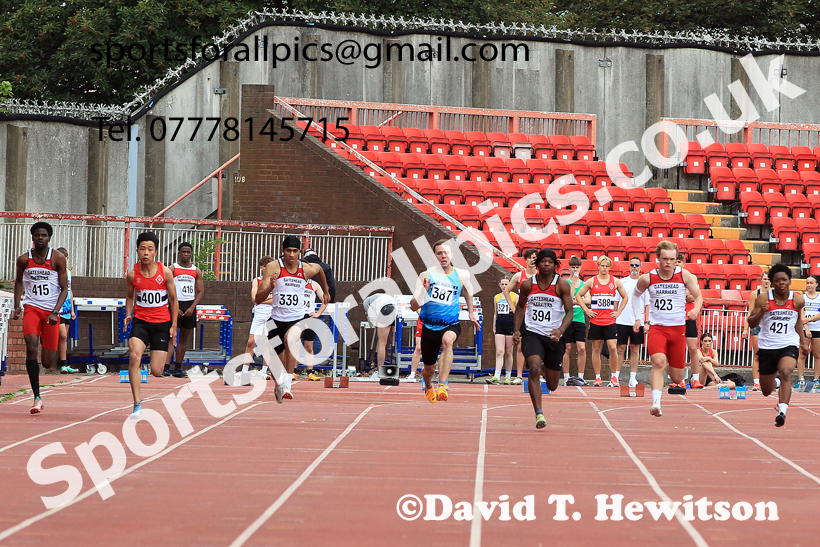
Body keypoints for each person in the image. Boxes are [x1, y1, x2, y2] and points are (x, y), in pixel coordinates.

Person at [630, 240, 703, 417]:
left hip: (678, 330)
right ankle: (656, 403)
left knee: (677, 378)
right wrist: (639, 318)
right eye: (665, 259)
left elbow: (698, 295)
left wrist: (695, 309)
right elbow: (635, 296)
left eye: (672, 259)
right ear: (658, 258)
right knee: (658, 363)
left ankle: (672, 363)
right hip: (657, 328)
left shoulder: (684, 275)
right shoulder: (648, 278)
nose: (668, 262)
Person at [256, 235, 330, 402]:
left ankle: (288, 384)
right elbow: (258, 299)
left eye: (295, 251)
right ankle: (280, 382)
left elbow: (319, 269)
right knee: (277, 359)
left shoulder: (305, 269)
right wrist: (270, 287)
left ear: (299, 252)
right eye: (288, 251)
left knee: (292, 340)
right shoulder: (273, 267)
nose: (291, 254)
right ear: (283, 251)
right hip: (276, 320)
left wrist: (325, 292)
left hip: (297, 318)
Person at [410, 239, 481, 403]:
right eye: (439, 253)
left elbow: (468, 291)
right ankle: (428, 385)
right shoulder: (425, 275)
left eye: (446, 252)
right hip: (428, 326)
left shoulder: (462, 274)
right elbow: (414, 306)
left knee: (448, 341)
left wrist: (471, 313)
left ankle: (442, 385)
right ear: (435, 256)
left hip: (450, 324)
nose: (443, 256)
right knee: (429, 368)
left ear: (452, 255)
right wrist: (423, 292)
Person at [12, 222, 70, 414]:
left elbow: (64, 289)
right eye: (37, 235)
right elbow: (18, 282)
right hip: (32, 308)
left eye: (44, 235)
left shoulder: (57, 258)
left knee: (47, 362)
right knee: (31, 345)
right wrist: (17, 307)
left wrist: (55, 312)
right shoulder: (23, 260)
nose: (40, 238)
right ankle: (37, 397)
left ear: (49, 238)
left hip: (51, 313)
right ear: (32, 237)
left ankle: (46, 342)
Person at [513, 248, 574, 429]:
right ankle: (539, 413)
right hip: (533, 334)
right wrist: (517, 330)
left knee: (553, 384)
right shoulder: (526, 285)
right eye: (543, 261)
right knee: (532, 367)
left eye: (550, 261)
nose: (546, 264)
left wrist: (561, 330)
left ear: (555, 265)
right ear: (537, 263)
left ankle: (544, 367)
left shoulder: (561, 284)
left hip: (554, 336)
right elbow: (520, 307)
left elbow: (570, 311)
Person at [747, 263, 810, 427]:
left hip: (788, 344)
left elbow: (797, 322)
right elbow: (751, 323)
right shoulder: (763, 298)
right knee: (766, 391)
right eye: (778, 280)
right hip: (767, 347)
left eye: (784, 280)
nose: (781, 283)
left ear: (790, 281)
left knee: (786, 371)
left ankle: (782, 411)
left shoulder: (797, 300)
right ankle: (775, 383)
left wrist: (803, 342)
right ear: (772, 283)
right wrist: (761, 311)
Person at [124, 232, 178, 419]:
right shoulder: (133, 274)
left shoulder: (165, 272)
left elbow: (173, 299)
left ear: (155, 252)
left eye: (150, 249)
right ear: (137, 251)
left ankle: (151, 359)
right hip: (141, 322)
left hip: (162, 322)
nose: (146, 253)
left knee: (157, 371)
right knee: (134, 356)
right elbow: (130, 296)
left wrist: (173, 326)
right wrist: (129, 314)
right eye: (142, 249)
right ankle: (137, 404)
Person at [575, 256, 628, 387]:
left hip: (609, 320)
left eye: (607, 266)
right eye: (602, 265)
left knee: (612, 348)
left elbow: (625, 297)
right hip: (595, 320)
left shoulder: (615, 281)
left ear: (610, 267)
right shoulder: (591, 281)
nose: (604, 268)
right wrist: (586, 310)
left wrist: (618, 312)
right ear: (598, 266)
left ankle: (614, 376)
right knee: (596, 349)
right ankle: (597, 377)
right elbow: (578, 296)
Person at [164, 242, 204, 378]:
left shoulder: (196, 270)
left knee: (184, 338)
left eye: (188, 252)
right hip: (176, 304)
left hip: (189, 306)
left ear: (191, 253)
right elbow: (167, 289)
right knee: (171, 336)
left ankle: (178, 368)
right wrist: (174, 306)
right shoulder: (172, 269)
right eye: (183, 252)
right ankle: (166, 367)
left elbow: (200, 291)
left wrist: (192, 307)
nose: (186, 254)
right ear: (179, 253)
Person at [503, 247, 538, 385]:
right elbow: (506, 291)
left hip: (536, 315)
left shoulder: (542, 275)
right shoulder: (519, 275)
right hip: (523, 315)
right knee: (520, 345)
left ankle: (537, 374)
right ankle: (518, 376)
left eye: (534, 258)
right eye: (530, 257)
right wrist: (512, 305)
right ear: (526, 259)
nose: (532, 260)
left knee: (538, 344)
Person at [617, 257, 648, 388]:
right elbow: (616, 301)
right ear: (629, 267)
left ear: (640, 267)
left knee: (635, 349)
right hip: (622, 320)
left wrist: (646, 322)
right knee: (620, 349)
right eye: (632, 265)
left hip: (638, 320)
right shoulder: (622, 282)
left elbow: (647, 304)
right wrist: (615, 316)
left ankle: (632, 378)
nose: (634, 267)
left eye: (637, 265)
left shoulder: (644, 283)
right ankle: (615, 376)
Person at [245, 256, 275, 380]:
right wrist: (262, 299)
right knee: (251, 342)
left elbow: (276, 300)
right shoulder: (256, 280)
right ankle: (244, 370)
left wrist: (261, 299)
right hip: (259, 315)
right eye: (266, 266)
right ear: (262, 267)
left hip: (272, 315)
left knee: (268, 344)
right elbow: (254, 298)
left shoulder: (275, 282)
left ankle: (264, 371)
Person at [676, 253, 702, 388]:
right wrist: (686, 295)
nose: (677, 264)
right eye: (675, 262)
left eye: (679, 262)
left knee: (692, 348)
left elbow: (694, 296)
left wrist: (685, 295)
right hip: (676, 316)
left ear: (683, 263)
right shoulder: (670, 279)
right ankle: (679, 379)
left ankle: (696, 379)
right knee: (678, 349)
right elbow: (685, 295)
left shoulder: (691, 277)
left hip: (689, 316)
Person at [743, 271, 771, 391]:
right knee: (757, 355)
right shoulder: (755, 293)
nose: (766, 281)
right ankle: (756, 382)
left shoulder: (774, 294)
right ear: (761, 280)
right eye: (764, 279)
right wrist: (745, 328)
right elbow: (750, 312)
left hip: (770, 326)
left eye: (768, 279)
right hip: (758, 326)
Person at [562, 256, 588, 385]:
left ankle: (581, 376)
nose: (575, 270)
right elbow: (567, 298)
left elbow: (588, 300)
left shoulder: (584, 284)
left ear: (581, 268)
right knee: (566, 348)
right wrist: (578, 297)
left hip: (580, 319)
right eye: (573, 267)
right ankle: (566, 377)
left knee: (582, 348)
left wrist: (575, 300)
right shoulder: (565, 282)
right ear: (569, 268)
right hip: (567, 319)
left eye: (577, 267)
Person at [487, 277, 516, 385]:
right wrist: (494, 326)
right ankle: (497, 375)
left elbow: (517, 312)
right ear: (499, 285)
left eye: (506, 284)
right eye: (502, 284)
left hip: (510, 326)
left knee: (509, 352)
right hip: (500, 326)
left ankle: (508, 375)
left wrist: (517, 328)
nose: (504, 286)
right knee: (499, 351)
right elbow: (495, 313)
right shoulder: (497, 297)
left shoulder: (514, 296)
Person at [55, 247, 79, 375]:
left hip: (68, 308)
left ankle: (64, 364)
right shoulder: (54, 272)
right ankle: (61, 363)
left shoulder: (68, 273)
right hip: (58, 309)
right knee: (62, 335)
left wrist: (73, 309)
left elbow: (70, 291)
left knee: (64, 338)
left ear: (66, 259)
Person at [301, 278, 329, 380]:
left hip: (309, 317)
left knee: (309, 345)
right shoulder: (296, 282)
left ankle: (310, 372)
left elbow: (325, 300)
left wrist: (318, 313)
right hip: (296, 316)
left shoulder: (314, 284)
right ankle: (292, 372)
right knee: (293, 343)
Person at [363, 293, 395, 378]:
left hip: (385, 309)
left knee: (382, 344)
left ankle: (379, 371)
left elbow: (371, 318)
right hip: (395, 309)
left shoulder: (366, 302)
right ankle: (395, 368)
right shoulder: (378, 297)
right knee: (393, 342)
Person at [796, 275, 820, 389]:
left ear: (816, 284)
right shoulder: (803, 298)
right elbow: (801, 315)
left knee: (817, 354)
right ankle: (801, 378)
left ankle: (816, 379)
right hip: (806, 329)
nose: (809, 285)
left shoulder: (819, 298)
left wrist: (809, 320)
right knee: (802, 353)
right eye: (807, 283)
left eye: (811, 283)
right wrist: (806, 328)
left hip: (817, 328)